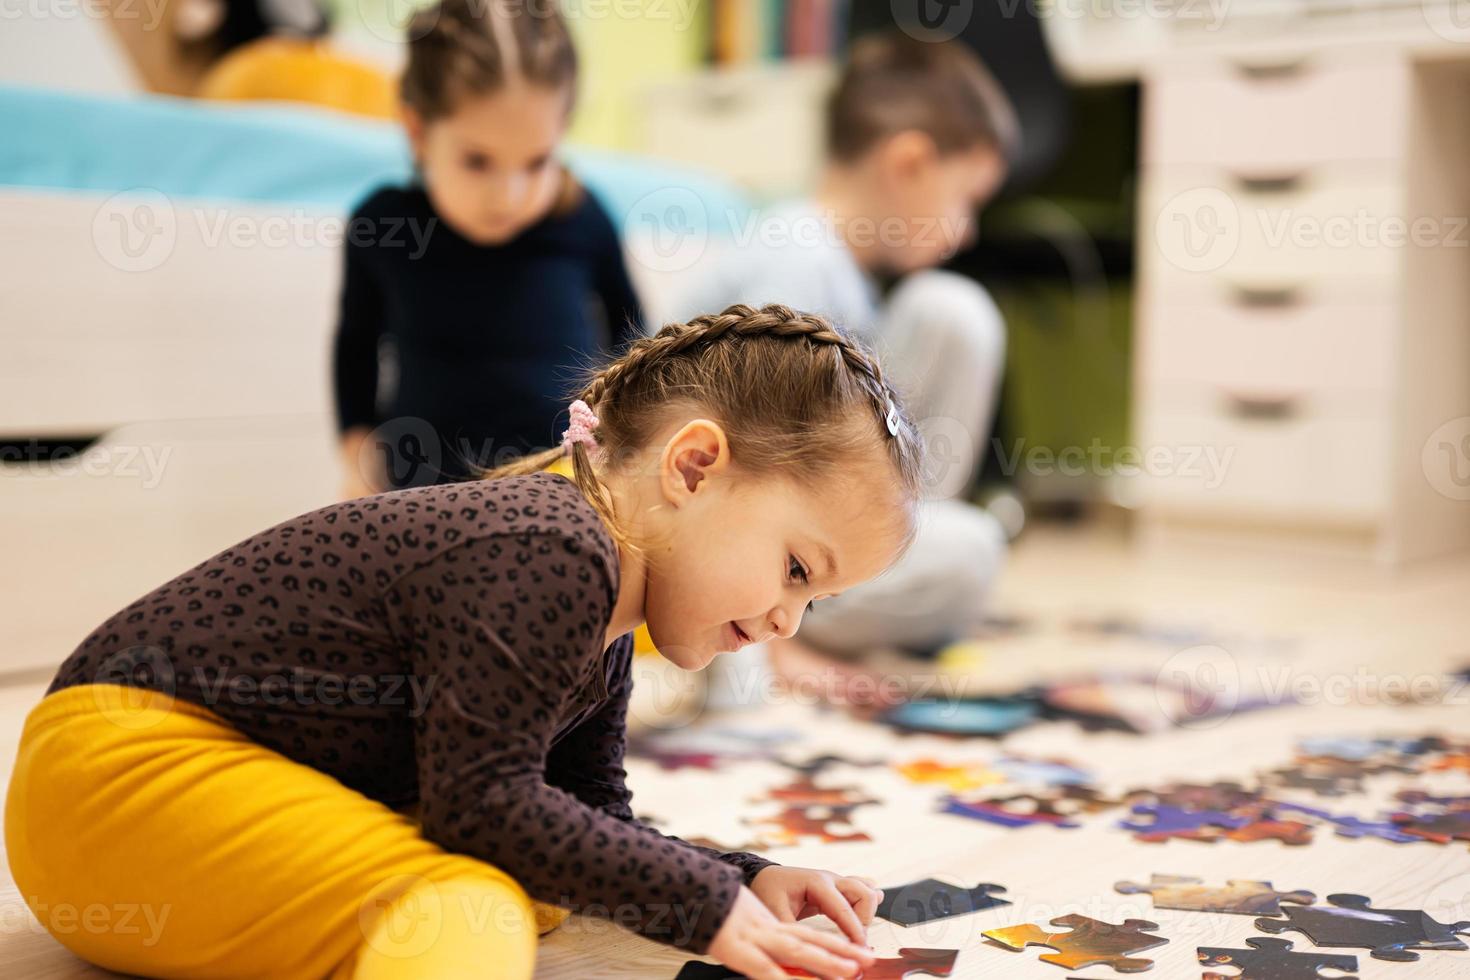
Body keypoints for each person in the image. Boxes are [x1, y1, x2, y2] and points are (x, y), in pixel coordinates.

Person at [6, 304, 927, 980]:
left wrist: (745, 878)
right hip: (115, 773)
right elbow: (480, 804)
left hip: (153, 781)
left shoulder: (605, 615)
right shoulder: (549, 548)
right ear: (693, 468)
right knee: (468, 908)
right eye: (798, 571)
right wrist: (706, 906)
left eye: (817, 603)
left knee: (549, 876)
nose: (786, 624)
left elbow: (586, 817)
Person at [670, 30, 1016, 697]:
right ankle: (767, 625)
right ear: (909, 162)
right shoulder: (797, 258)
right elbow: (736, 474)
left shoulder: (841, 270)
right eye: (966, 199)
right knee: (972, 552)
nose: (967, 230)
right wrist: (761, 663)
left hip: (806, 536)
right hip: (729, 544)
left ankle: (857, 572)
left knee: (953, 311)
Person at [333, 0, 644, 497]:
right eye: (477, 161)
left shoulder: (582, 220)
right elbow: (354, 344)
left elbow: (632, 337)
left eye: (537, 161)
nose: (509, 196)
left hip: (562, 492)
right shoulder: (384, 226)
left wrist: (625, 442)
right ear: (418, 132)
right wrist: (355, 455)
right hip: (421, 498)